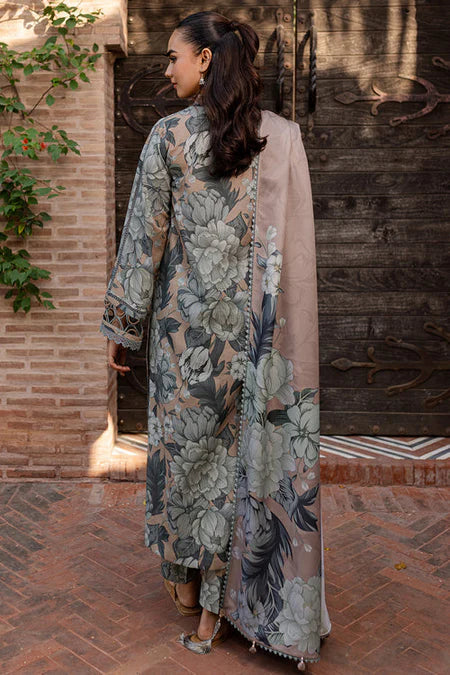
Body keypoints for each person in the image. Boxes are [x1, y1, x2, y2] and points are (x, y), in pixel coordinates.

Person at [100, 10, 331, 670]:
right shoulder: (280, 138)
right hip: (258, 344)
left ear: (205, 60)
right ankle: (224, 603)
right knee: (244, 466)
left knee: (186, 466)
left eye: (173, 57)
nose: (166, 70)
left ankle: (192, 589)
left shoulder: (168, 136)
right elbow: (296, 255)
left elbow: (143, 241)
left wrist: (122, 328)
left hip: (185, 347)